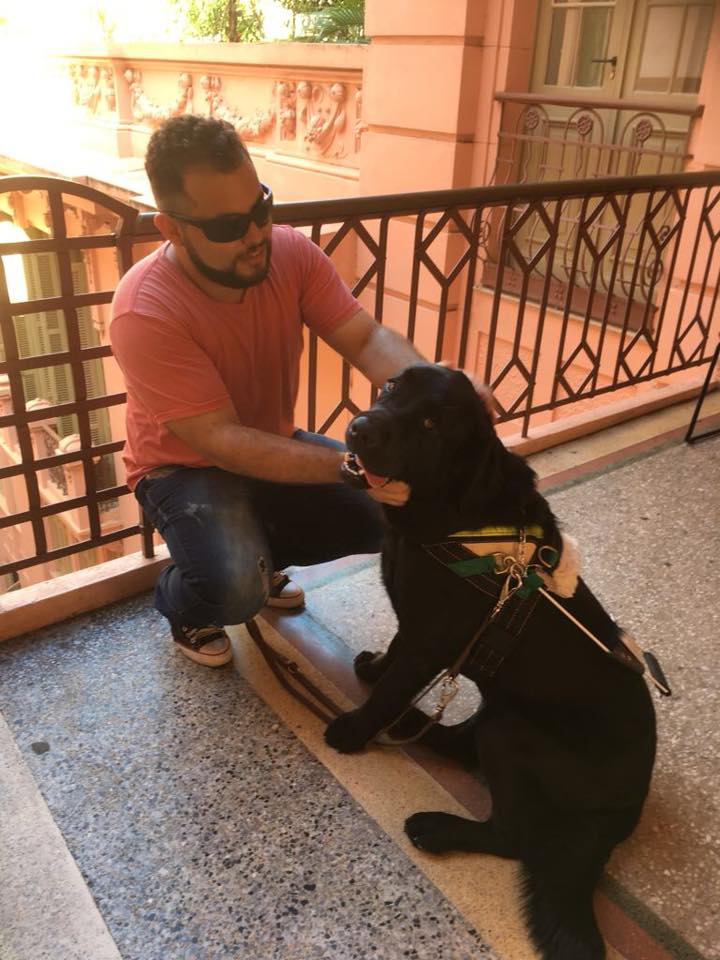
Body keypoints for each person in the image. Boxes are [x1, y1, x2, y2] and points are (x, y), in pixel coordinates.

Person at [110, 114, 427, 668]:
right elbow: (220, 441)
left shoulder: (291, 253)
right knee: (233, 587)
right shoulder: (144, 309)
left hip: (265, 442)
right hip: (183, 468)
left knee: (394, 512)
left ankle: (254, 561)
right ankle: (187, 599)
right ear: (173, 228)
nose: (255, 233)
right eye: (228, 226)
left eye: (260, 207)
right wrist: (351, 469)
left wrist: (433, 390)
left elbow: (367, 337)